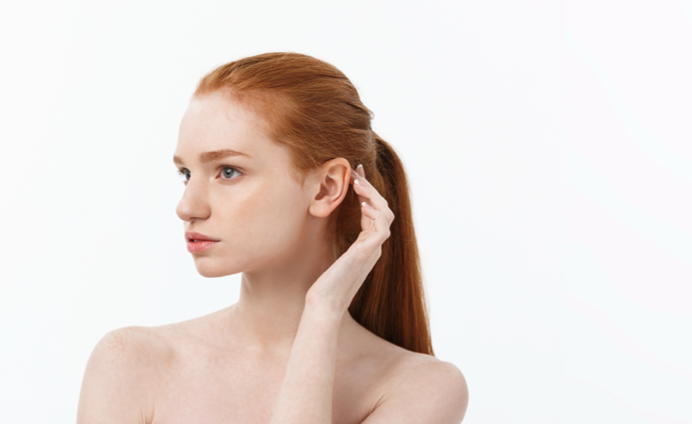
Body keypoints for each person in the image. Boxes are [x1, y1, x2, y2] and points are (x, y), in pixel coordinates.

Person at [76, 52, 469, 424]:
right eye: (186, 173)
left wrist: (322, 313)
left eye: (228, 171)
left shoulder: (420, 388)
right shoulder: (130, 363)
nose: (186, 206)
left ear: (325, 188)